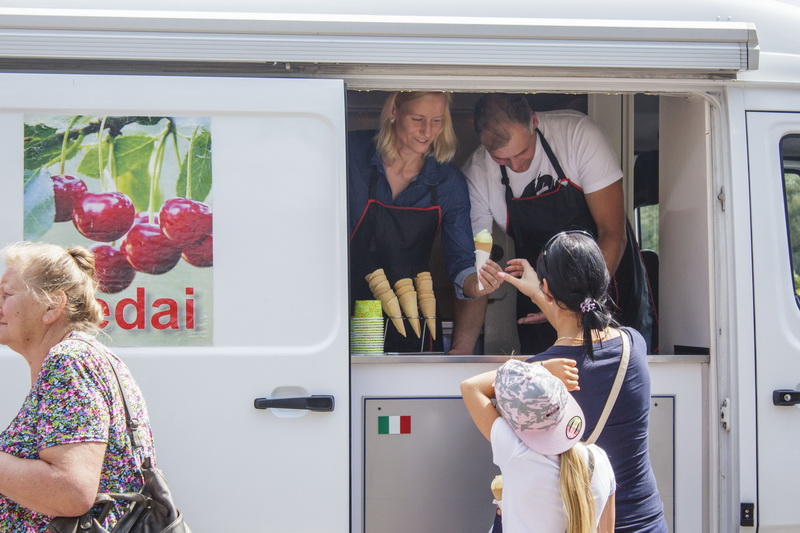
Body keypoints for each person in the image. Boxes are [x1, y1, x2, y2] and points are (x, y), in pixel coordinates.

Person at [452, 93, 655, 355]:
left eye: (522, 152)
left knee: (616, 360)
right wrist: (462, 350)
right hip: (540, 290)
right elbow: (477, 266)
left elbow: (612, 232)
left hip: (606, 279)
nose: (516, 166)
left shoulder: (578, 135)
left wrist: (579, 305)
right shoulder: (476, 174)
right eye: (501, 159)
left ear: (534, 121)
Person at [499, 230, 668, 532]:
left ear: (548, 288)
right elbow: (580, 326)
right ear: (603, 282)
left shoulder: (537, 377)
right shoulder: (633, 344)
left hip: (577, 523)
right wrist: (541, 293)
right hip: (645, 521)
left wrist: (539, 295)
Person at [0, 242, 157, 530]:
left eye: (6, 295)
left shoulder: (70, 360)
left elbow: (71, 492)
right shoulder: (83, 356)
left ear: (52, 306)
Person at [348, 91, 503, 352]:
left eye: (436, 121)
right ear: (394, 112)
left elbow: (461, 263)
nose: (427, 131)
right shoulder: (352, 154)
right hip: (345, 309)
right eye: (417, 119)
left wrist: (477, 284)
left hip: (416, 317)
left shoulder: (448, 182)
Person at [461, 358, 616, 533]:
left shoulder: (516, 452)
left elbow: (470, 387)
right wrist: (543, 377)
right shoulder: (600, 459)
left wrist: (542, 367)